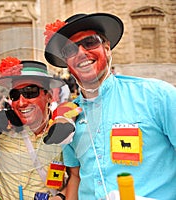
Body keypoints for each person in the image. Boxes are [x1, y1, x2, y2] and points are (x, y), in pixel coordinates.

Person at [44, 13, 176, 200]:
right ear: (67, 63)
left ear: (107, 49)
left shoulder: (156, 96)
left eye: (90, 42)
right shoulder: (66, 119)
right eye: (70, 50)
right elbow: (76, 176)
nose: (81, 52)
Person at [0, 57, 69, 200]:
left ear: (49, 96)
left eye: (30, 92)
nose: (21, 102)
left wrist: (61, 197)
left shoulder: (63, 130)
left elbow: (78, 175)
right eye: (14, 95)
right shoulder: (1, 123)